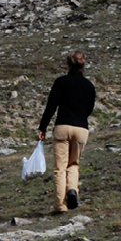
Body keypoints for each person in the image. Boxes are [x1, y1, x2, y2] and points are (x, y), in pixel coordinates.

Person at [38, 51, 96, 214]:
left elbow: (51, 107)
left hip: (62, 127)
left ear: (68, 65)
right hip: (81, 128)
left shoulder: (60, 82)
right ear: (83, 66)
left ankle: (60, 205)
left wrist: (42, 128)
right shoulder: (89, 86)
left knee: (60, 168)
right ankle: (72, 190)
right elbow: (89, 109)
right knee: (73, 164)